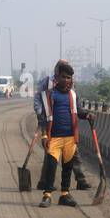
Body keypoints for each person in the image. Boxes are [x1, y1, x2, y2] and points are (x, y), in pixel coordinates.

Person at [36, 63, 95, 207]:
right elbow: (43, 118)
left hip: (70, 138)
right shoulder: (49, 95)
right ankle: (47, 195)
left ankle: (65, 195)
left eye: (69, 78)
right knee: (51, 167)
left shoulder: (73, 95)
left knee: (67, 167)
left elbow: (78, 111)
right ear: (57, 77)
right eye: (64, 77)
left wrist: (87, 115)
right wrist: (44, 136)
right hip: (54, 138)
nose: (67, 80)